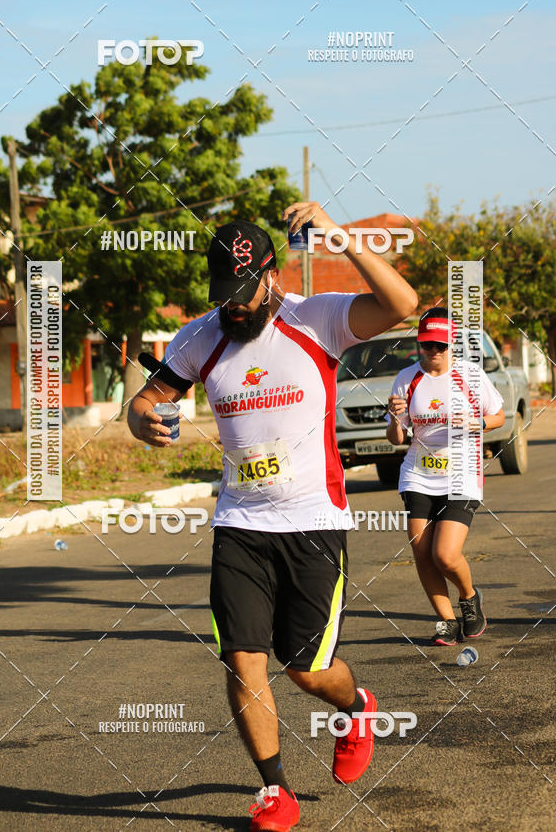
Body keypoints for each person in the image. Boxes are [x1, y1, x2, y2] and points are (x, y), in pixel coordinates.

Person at [128, 204, 418, 831]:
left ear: (271, 277)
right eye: (222, 296)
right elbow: (151, 396)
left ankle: (358, 708)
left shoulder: (316, 319)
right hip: (240, 524)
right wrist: (140, 417)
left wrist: (342, 240)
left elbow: (400, 302)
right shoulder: (200, 337)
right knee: (243, 659)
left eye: (243, 293)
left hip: (314, 522)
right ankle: (274, 791)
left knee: (308, 672)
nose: (233, 307)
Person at [386, 307, 505, 646]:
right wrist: (396, 420)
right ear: (419, 344)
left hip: (461, 473)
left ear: (450, 343)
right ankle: (447, 621)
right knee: (422, 553)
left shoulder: (469, 375)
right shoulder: (407, 379)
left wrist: (479, 424)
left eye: (439, 345)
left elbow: (498, 416)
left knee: (445, 555)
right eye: (427, 346)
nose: (433, 352)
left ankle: (468, 597)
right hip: (418, 474)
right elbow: (396, 439)